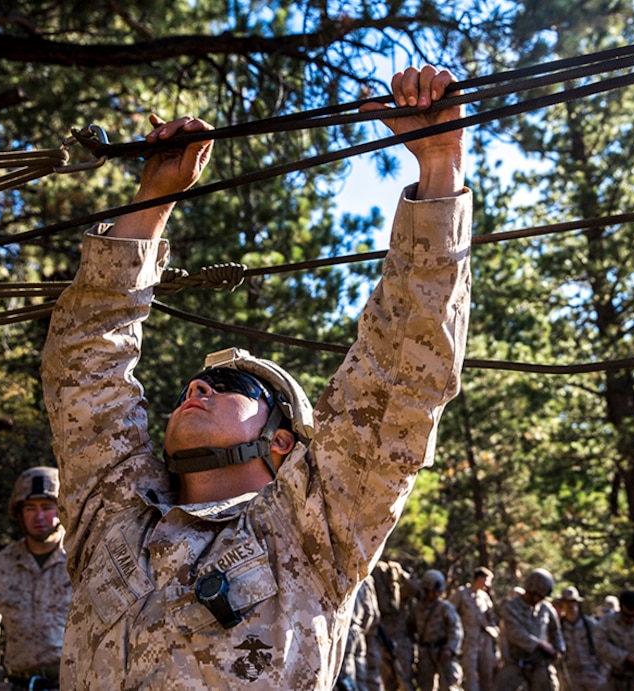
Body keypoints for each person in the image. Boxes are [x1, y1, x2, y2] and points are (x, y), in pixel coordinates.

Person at [40, 64, 472, 689]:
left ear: (282, 443)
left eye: (233, 389)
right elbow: (85, 368)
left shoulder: (312, 529)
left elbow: (402, 376)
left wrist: (438, 166)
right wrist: (152, 199)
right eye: (197, 383)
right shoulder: (115, 513)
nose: (198, 387)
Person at [0, 467, 72, 691]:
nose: (39, 516)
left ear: (62, 509)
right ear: (19, 513)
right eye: (30, 508)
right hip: (19, 685)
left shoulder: (82, 562)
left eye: (47, 507)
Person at [491, 568, 564, 691]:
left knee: (550, 685)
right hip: (515, 662)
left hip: (540, 663)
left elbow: (556, 631)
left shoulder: (546, 608)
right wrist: (540, 644)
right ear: (530, 590)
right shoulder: (511, 606)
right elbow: (515, 633)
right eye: (539, 596)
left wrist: (558, 649)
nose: (541, 599)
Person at [410, 570, 464, 691]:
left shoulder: (445, 607)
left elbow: (456, 629)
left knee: (449, 685)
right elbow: (410, 630)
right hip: (424, 653)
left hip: (442, 652)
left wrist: (450, 649)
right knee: (425, 686)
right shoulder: (417, 609)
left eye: (438, 591)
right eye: (433, 590)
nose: (436, 594)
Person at [373, 560, 420, 691]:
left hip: (401, 643)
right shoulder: (376, 597)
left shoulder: (400, 594)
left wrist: (400, 572)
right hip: (383, 642)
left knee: (405, 681)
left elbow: (415, 588)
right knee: (388, 683)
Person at [450, 566, 499, 691]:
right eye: (487, 580)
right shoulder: (461, 593)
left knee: (487, 677)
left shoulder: (484, 597)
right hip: (469, 642)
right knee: (470, 677)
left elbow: (491, 618)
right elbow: (450, 614)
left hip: (485, 642)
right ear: (479, 578)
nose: (488, 585)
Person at [555, 587, 608, 691]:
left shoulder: (591, 625)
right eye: (566, 602)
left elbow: (604, 649)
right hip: (570, 677)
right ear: (562, 604)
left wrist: (602, 673)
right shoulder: (558, 627)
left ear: (578, 603)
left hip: (592, 674)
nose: (570, 605)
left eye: (573, 602)